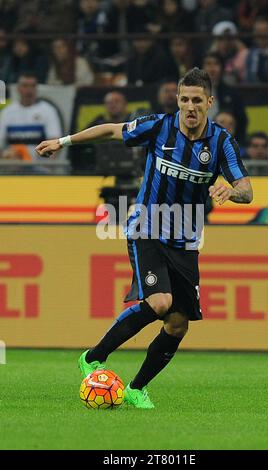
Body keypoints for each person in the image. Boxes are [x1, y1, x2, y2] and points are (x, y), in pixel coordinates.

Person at [36, 67, 253, 409]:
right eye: (184, 100)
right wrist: (62, 142)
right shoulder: (160, 126)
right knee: (160, 303)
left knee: (178, 324)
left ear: (209, 102)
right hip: (147, 226)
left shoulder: (222, 142)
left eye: (197, 100)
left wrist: (231, 190)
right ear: (178, 101)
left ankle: (137, 388)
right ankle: (93, 357)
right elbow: (110, 130)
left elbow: (247, 190)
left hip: (186, 239)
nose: (190, 107)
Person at [0, 72, 62, 161]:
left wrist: (49, 167)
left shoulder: (48, 110)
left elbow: (55, 142)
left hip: (40, 166)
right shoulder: (7, 112)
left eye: (32, 86)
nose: (29, 90)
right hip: (13, 166)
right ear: (18, 88)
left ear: (36, 88)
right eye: (25, 86)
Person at [203, 52, 248, 144]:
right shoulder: (193, 93)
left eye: (216, 64)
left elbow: (242, 121)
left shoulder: (232, 93)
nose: (212, 68)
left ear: (222, 68)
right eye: (208, 64)